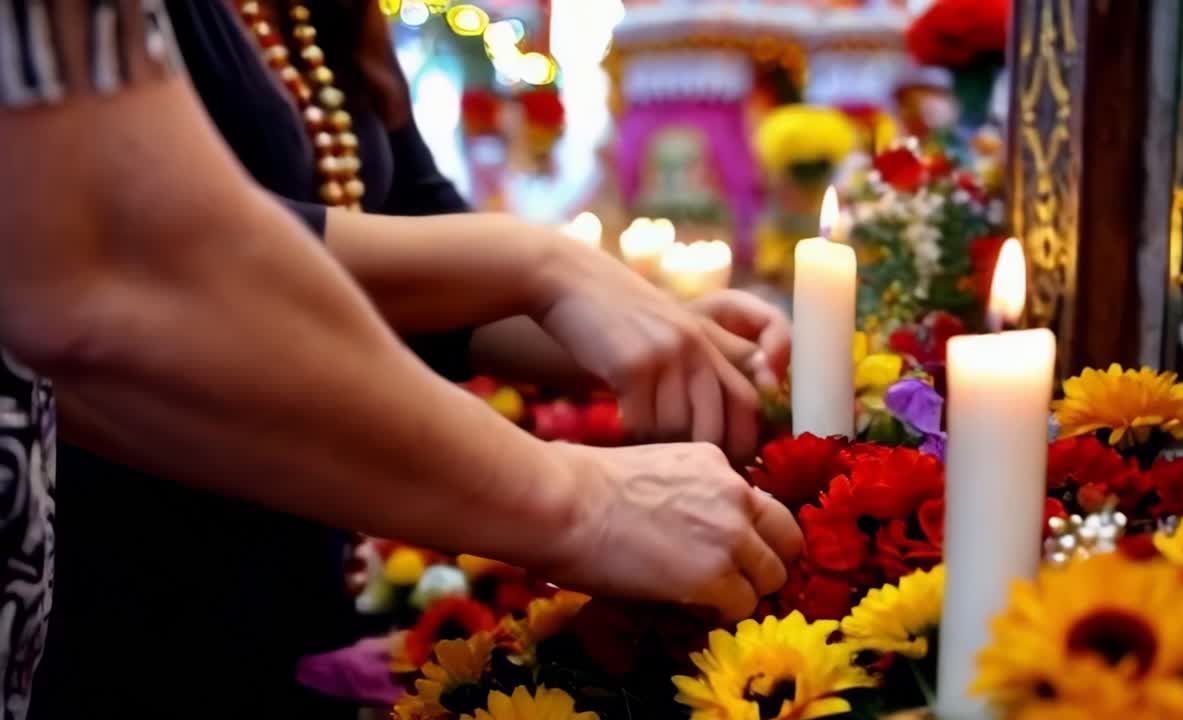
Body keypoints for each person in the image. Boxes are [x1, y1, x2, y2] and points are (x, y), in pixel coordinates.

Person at [0, 2, 801, 719]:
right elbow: (114, 259)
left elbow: (426, 247)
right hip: (116, 582)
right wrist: (577, 498)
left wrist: (646, 325)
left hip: (286, 565)